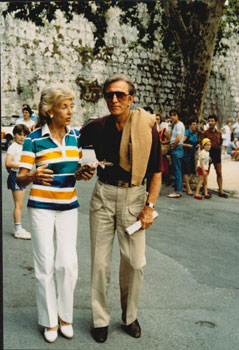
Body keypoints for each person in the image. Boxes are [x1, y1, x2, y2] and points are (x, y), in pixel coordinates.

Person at [78, 74, 162, 343]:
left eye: (120, 95)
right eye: (109, 95)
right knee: (100, 263)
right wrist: (81, 168)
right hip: (103, 195)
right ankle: (100, 319)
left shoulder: (146, 127)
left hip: (135, 197)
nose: (114, 100)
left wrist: (149, 207)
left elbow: (157, 172)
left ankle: (130, 316)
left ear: (131, 98)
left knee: (135, 263)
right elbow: (73, 149)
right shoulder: (96, 127)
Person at [16, 83, 92, 343]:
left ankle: (65, 316)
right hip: (41, 209)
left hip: (69, 207)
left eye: (71, 106)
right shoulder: (33, 139)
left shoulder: (76, 137)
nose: (70, 111)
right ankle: (49, 320)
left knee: (68, 264)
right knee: (44, 264)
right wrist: (33, 174)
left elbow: (74, 171)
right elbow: (20, 178)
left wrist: (83, 173)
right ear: (50, 111)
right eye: (64, 106)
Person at [5, 124, 31, 239]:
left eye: (24, 135)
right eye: (19, 134)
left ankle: (18, 227)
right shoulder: (13, 147)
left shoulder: (22, 146)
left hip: (21, 175)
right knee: (18, 204)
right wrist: (21, 166)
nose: (22, 137)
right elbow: (8, 163)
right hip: (16, 175)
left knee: (20, 204)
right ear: (14, 135)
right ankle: (18, 229)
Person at [201, 115, 228, 198]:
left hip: (216, 154)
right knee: (205, 173)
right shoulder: (205, 133)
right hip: (208, 154)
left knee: (219, 173)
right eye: (209, 121)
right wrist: (206, 155)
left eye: (212, 121)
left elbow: (220, 144)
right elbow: (202, 145)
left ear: (215, 122)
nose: (210, 123)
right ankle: (204, 190)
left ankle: (221, 191)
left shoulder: (219, 133)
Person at [167, 109, 185, 198]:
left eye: (174, 115)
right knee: (177, 170)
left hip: (176, 148)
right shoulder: (178, 125)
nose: (172, 117)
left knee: (177, 170)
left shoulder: (178, 125)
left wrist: (172, 147)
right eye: (171, 115)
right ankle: (178, 190)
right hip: (178, 148)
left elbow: (178, 138)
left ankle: (177, 191)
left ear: (177, 115)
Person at [182, 119, 198, 196]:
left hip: (191, 153)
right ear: (190, 126)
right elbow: (181, 143)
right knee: (186, 170)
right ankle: (188, 188)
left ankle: (182, 186)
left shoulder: (194, 133)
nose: (195, 126)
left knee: (189, 169)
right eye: (193, 124)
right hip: (186, 153)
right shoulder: (187, 132)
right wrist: (188, 145)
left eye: (195, 124)